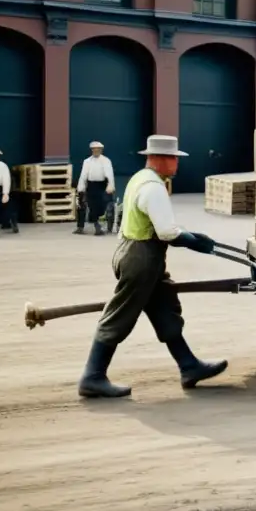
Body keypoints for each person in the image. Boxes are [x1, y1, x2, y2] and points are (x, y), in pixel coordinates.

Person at [78, 134, 227, 398]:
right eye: (173, 159)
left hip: (136, 252)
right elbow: (167, 232)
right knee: (119, 315)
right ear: (158, 159)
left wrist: (190, 236)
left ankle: (189, 365)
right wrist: (194, 241)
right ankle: (92, 376)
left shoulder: (139, 179)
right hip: (141, 258)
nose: (176, 164)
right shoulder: (154, 187)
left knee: (164, 309)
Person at [74, 141, 115, 236]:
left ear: (101, 150)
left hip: (102, 185)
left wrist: (110, 186)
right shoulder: (87, 161)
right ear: (92, 150)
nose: (96, 151)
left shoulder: (106, 161)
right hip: (91, 185)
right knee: (84, 205)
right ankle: (82, 227)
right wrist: (81, 187)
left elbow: (109, 175)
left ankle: (99, 226)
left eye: (98, 149)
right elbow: (83, 175)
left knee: (99, 206)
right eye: (94, 149)